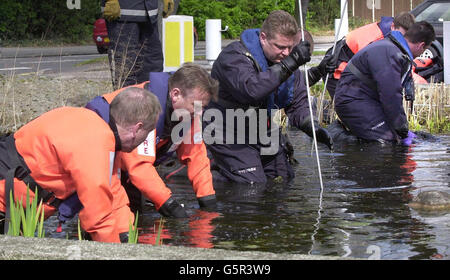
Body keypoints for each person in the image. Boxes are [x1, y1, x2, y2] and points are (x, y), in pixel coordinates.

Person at [56, 63, 219, 223]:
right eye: (196, 106)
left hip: (123, 164)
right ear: (175, 94)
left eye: (203, 107)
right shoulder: (144, 107)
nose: (200, 112)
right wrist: (170, 205)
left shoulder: (186, 114)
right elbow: (139, 166)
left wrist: (208, 203)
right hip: (91, 160)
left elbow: (196, 156)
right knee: (104, 217)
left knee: (135, 214)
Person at [0, 88, 161, 243]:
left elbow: (114, 194)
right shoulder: (95, 141)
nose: (146, 140)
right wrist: (116, 254)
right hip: (5, 204)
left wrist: (126, 236)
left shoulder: (92, 125)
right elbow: (98, 217)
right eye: (147, 133)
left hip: (15, 209)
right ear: (137, 128)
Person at [204, 10, 333, 185]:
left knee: (284, 177)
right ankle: (209, 172)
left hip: (260, 130)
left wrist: (313, 128)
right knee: (253, 185)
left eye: (290, 48)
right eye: (280, 47)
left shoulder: (286, 62)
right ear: (263, 38)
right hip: (227, 132)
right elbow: (251, 89)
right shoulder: (234, 58)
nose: (286, 53)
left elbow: (297, 103)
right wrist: (290, 63)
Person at [333, 21, 435, 145]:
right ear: (421, 45)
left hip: (362, 98)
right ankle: (337, 137)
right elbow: (390, 94)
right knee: (385, 142)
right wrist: (401, 125)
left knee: (395, 137)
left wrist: (400, 129)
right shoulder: (391, 53)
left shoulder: (393, 48)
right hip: (353, 101)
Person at [324, 12, 416, 99]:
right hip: (337, 66)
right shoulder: (377, 40)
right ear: (392, 27)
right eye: (401, 36)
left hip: (350, 60)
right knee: (349, 105)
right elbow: (375, 71)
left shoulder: (390, 31)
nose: (402, 40)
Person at [102, 0, 174, 89]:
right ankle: (126, 102)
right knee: (125, 69)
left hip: (149, 14)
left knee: (153, 66)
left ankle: (152, 101)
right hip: (123, 15)